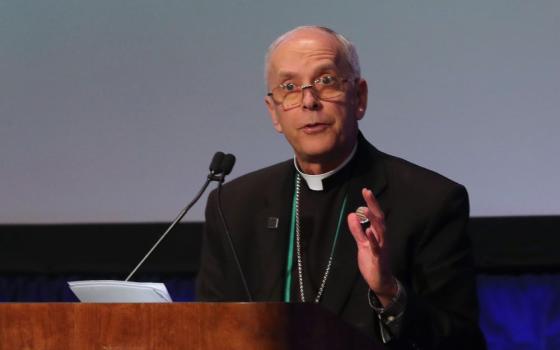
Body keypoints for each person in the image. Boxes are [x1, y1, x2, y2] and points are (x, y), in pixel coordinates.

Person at [196, 26, 486, 349]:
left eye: (326, 81)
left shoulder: (429, 202)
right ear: (274, 112)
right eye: (290, 87)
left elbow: (462, 343)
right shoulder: (234, 208)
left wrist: (389, 292)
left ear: (359, 98)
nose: (309, 101)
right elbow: (210, 333)